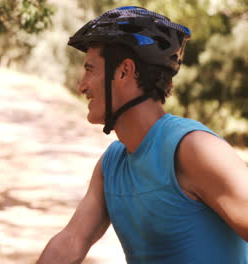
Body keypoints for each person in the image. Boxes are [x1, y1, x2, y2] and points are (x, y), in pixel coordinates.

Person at [37, 6, 248, 263]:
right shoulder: (111, 165)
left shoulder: (193, 148)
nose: (81, 85)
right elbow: (71, 241)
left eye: (90, 69)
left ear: (124, 71)